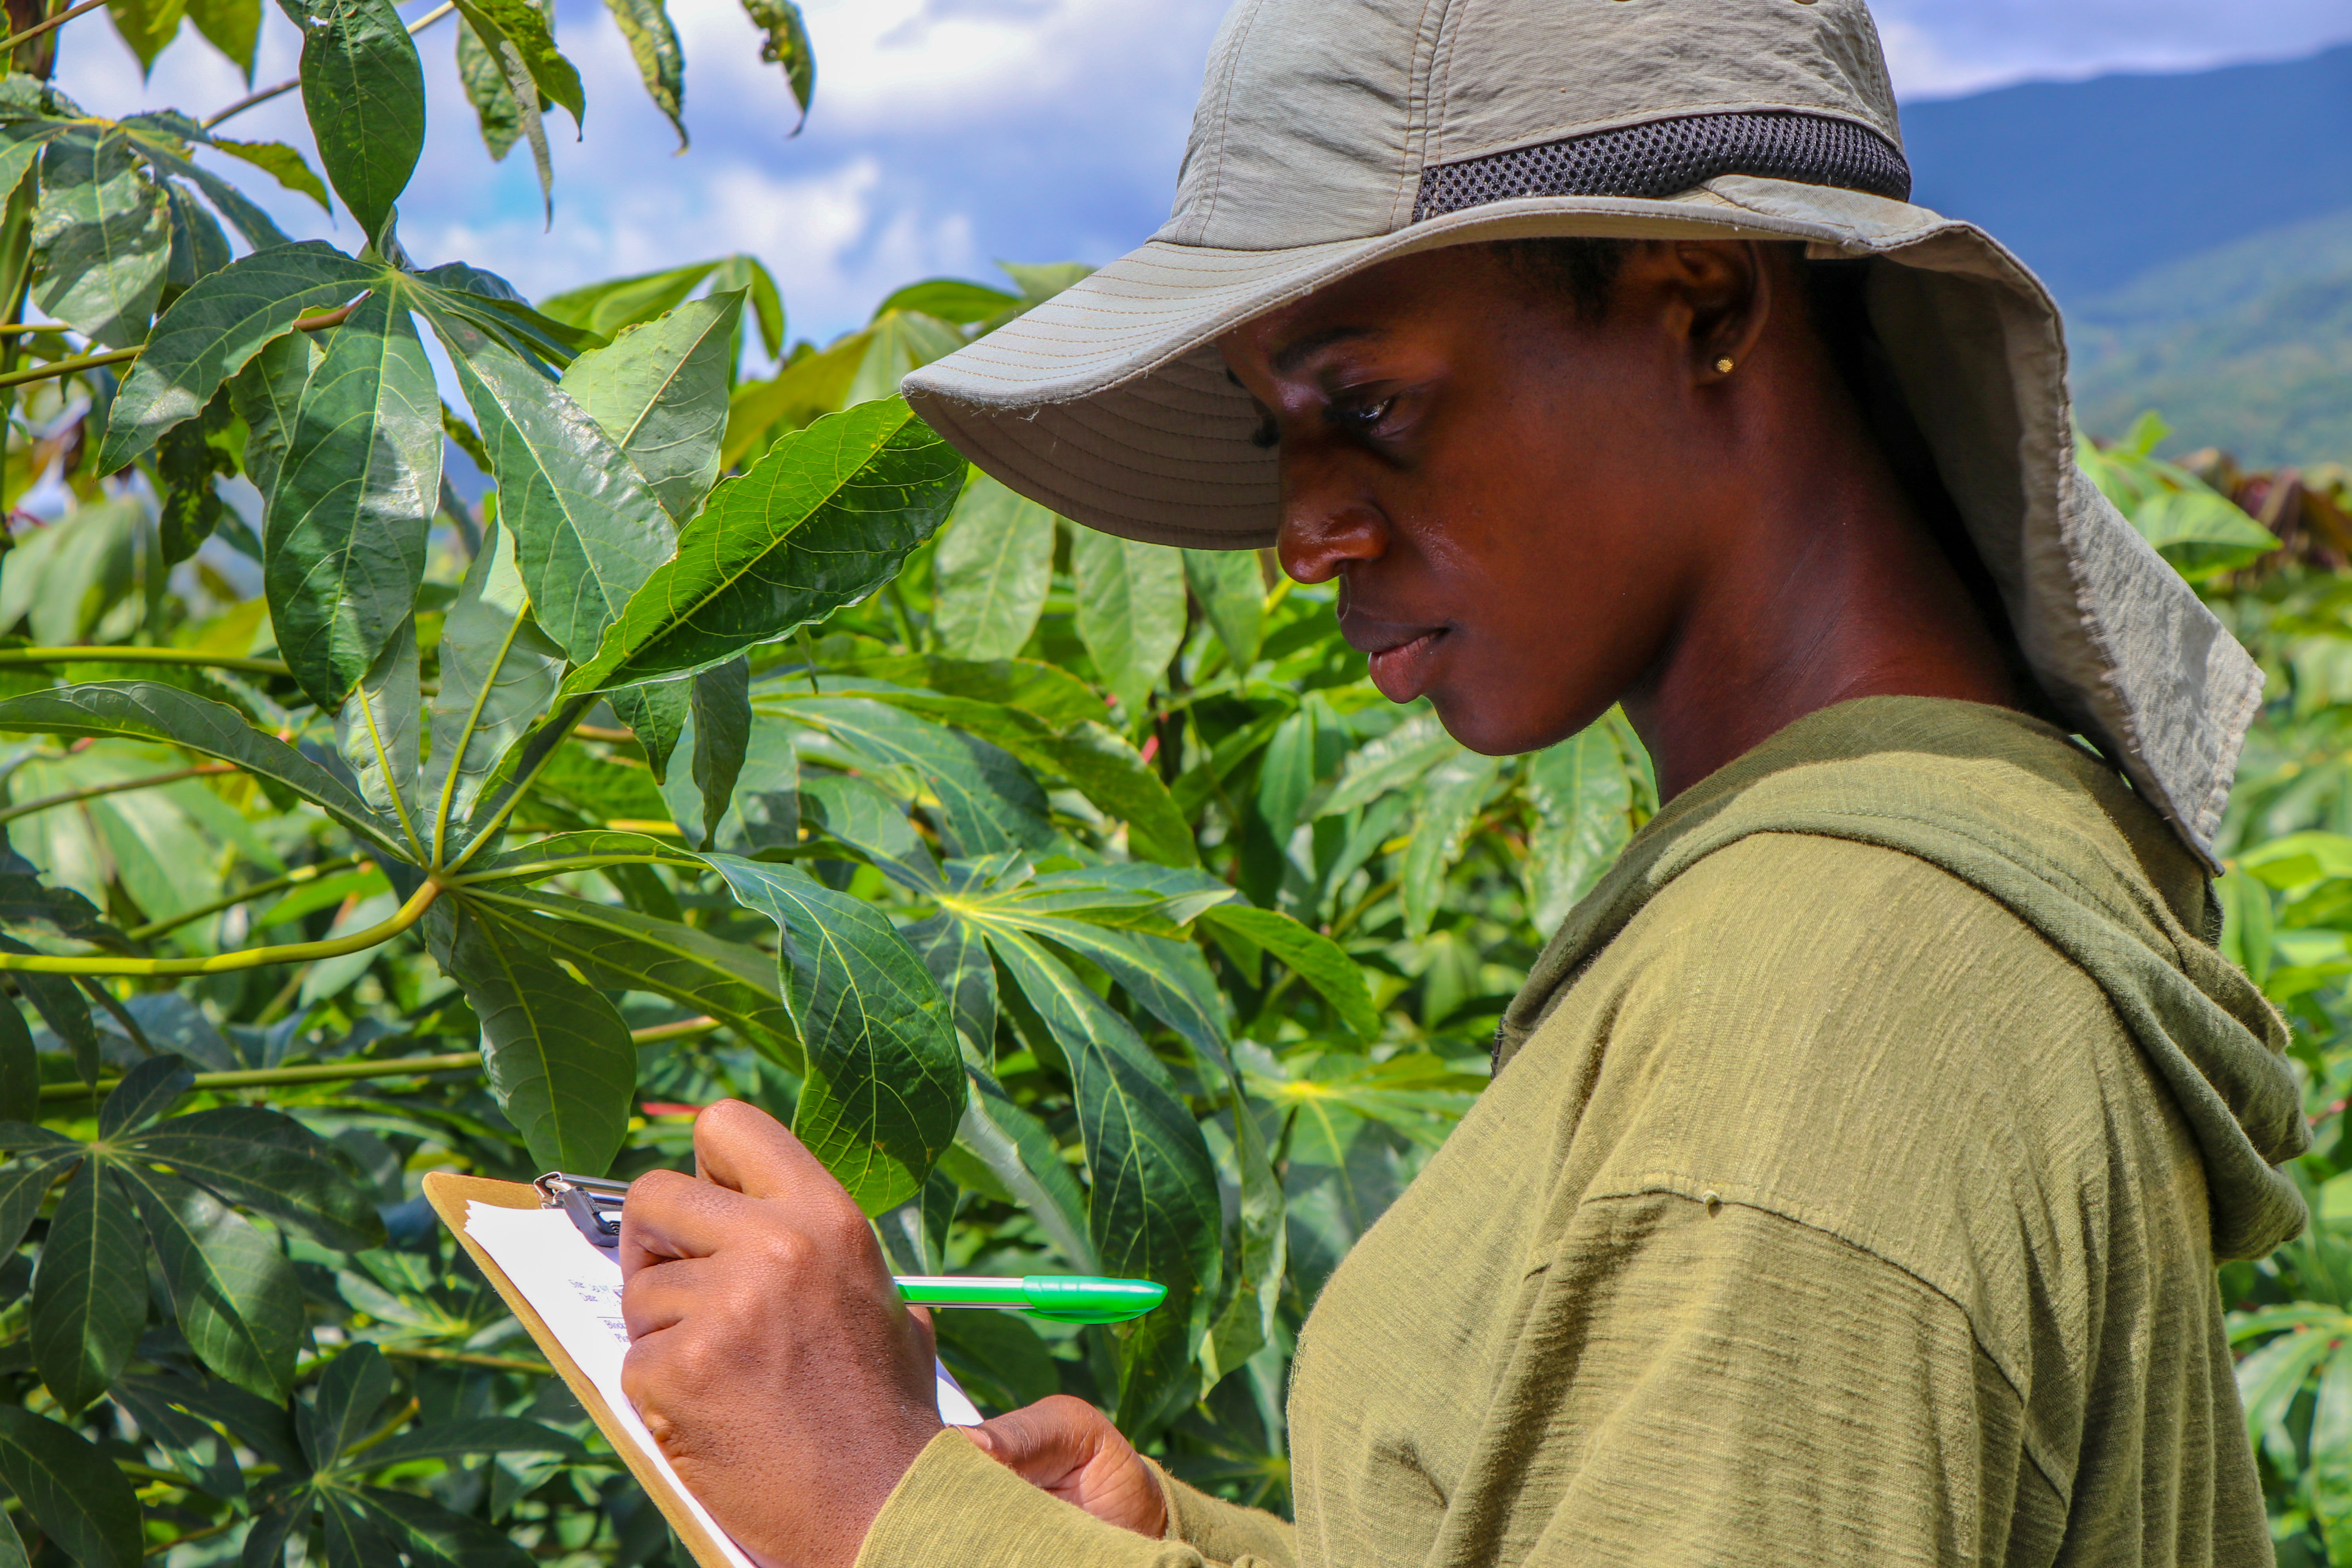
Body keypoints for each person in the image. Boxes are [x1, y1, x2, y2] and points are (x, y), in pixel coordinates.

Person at [613, 0, 2310, 1562]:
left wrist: (882, 1510)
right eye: (1282, 430)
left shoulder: (1825, 996)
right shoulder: (1864, 903)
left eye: (1369, 401)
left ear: (1701, 301)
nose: (1302, 531)